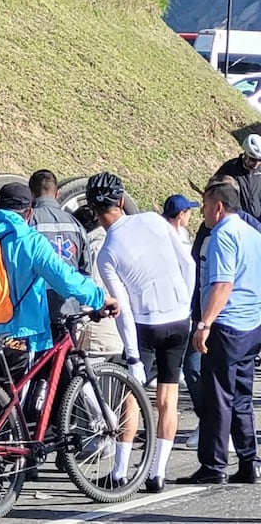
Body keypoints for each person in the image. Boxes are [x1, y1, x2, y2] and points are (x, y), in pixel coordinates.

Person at [89, 172, 195, 493]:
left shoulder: (106, 252)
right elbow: (188, 265)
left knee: (132, 399)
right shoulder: (153, 219)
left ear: (94, 210)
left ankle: (120, 472)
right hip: (179, 318)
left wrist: (133, 355)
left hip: (145, 323)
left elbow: (123, 309)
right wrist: (184, 304)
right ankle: (157, 473)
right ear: (121, 201)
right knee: (168, 399)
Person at [0, 182, 118, 386]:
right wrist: (100, 298)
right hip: (17, 338)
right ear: (29, 213)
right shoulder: (31, 242)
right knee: (13, 409)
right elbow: (65, 278)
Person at [177, 178, 261, 485]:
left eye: (206, 207)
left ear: (219, 206)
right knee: (241, 396)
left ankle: (213, 465)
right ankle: (249, 461)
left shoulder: (222, 236)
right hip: (251, 324)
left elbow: (223, 284)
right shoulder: (253, 234)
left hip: (226, 324)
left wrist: (204, 323)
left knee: (218, 397)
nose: (204, 214)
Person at [28, 169, 90, 324]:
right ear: (56, 193)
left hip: (38, 306)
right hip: (70, 305)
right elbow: (86, 269)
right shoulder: (76, 225)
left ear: (31, 193)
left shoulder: (28, 222)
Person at [72, 206, 123, 361]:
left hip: (96, 329)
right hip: (113, 327)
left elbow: (96, 284)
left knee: (88, 381)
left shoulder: (94, 246)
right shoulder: (111, 242)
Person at [213, 133, 261, 220]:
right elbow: (214, 189)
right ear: (245, 154)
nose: (256, 164)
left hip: (257, 222)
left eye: (260, 160)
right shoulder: (230, 168)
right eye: (253, 159)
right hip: (237, 220)